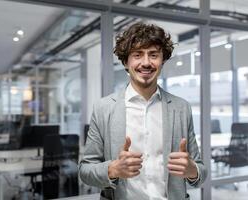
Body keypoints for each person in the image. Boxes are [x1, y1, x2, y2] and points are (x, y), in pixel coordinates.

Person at [79, 22, 207, 200]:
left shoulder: (181, 107)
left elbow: (200, 171)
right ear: (126, 61)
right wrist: (112, 169)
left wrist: (192, 170)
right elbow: (85, 170)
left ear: (162, 60)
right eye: (137, 55)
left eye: (153, 55)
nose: (146, 63)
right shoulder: (104, 108)